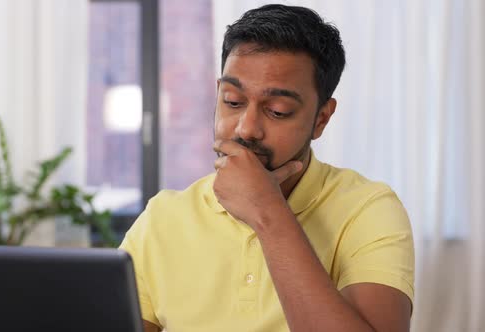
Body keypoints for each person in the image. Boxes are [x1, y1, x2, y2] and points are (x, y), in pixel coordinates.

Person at [120, 4, 414, 332]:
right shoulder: (162, 217)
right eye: (232, 101)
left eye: (277, 110)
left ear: (321, 118)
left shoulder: (368, 208)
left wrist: (267, 213)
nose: (246, 128)